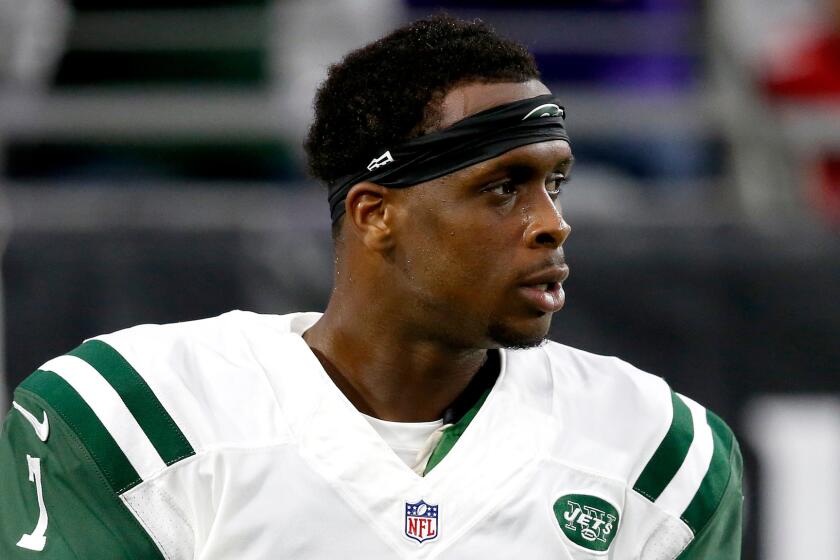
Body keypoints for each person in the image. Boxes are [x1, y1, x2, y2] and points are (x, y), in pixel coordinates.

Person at [0, 15, 742, 559]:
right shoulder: (135, 419)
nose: (553, 223)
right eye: (502, 188)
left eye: (555, 184)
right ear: (375, 213)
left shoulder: (657, 451)